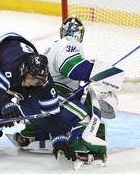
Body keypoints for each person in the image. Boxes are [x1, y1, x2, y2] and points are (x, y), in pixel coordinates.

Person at [11, 16, 119, 163]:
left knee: (75, 100)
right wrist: (103, 73)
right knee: (83, 115)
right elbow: (71, 67)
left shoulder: (52, 46)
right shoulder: (71, 43)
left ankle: (33, 133)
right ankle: (79, 144)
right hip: (45, 101)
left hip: (30, 106)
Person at [0, 32, 76, 162]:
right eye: (32, 79)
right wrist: (6, 105)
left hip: (24, 56)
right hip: (1, 47)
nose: (34, 83)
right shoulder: (11, 67)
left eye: (39, 81)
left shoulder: (44, 83)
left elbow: (52, 114)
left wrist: (59, 138)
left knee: (18, 95)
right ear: (24, 70)